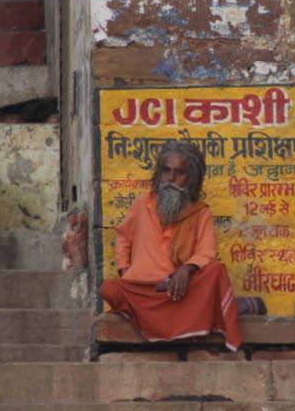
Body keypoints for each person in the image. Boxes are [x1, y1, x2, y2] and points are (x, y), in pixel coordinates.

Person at [100, 142, 242, 350]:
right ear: (159, 173)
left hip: (177, 291)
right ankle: (179, 323)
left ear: (191, 178)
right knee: (109, 289)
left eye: (179, 173)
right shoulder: (142, 203)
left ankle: (174, 324)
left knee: (216, 271)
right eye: (166, 171)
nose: (171, 179)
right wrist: (126, 272)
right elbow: (123, 237)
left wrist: (186, 270)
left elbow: (207, 252)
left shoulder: (201, 212)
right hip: (144, 291)